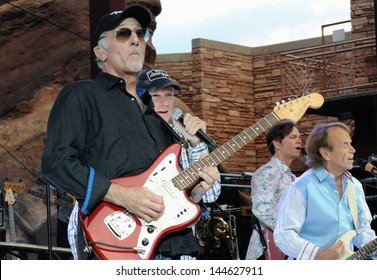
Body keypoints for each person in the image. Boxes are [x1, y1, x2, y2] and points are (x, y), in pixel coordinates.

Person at [41, 5, 220, 260]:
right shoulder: (82, 95)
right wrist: (121, 194)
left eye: (141, 33)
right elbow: (55, 164)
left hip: (175, 246)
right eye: (124, 34)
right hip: (119, 242)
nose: (136, 39)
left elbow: (167, 187)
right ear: (100, 51)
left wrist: (197, 189)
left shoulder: (154, 114)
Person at [136, 68, 221, 259]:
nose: (164, 102)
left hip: (181, 242)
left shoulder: (181, 136)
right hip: (142, 238)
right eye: (155, 95)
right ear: (141, 99)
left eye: (169, 95)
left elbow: (212, 194)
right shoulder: (134, 134)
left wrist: (197, 143)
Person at [274, 122, 377, 260]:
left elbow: (362, 230)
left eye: (350, 144)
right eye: (345, 145)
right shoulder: (301, 187)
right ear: (326, 153)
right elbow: (284, 234)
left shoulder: (355, 186)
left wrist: (374, 250)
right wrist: (318, 254)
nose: (353, 150)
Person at [245, 120, 302, 260]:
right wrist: (293, 232)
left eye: (299, 137)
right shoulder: (267, 172)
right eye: (293, 137)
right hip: (268, 251)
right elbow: (262, 209)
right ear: (277, 144)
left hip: (288, 249)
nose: (299, 141)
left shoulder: (292, 177)